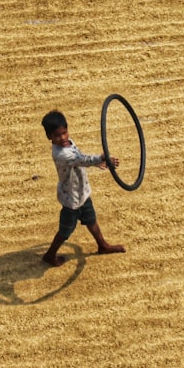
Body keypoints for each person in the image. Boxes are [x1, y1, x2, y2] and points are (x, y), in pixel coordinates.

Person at [40, 110, 125, 266]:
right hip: (71, 199)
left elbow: (80, 158)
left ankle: (102, 245)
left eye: (64, 132)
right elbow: (81, 159)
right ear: (49, 137)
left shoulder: (68, 143)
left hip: (82, 192)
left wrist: (94, 163)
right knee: (65, 231)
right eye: (57, 135)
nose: (63, 138)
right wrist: (101, 158)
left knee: (91, 220)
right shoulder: (61, 154)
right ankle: (50, 255)